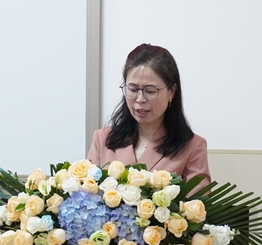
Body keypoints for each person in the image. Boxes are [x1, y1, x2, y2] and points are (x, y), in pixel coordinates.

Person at [87, 43, 211, 190]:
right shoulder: (102, 139)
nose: (140, 99)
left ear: (171, 92)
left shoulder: (192, 147)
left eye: (150, 91)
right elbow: (86, 195)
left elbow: (198, 202)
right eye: (133, 89)